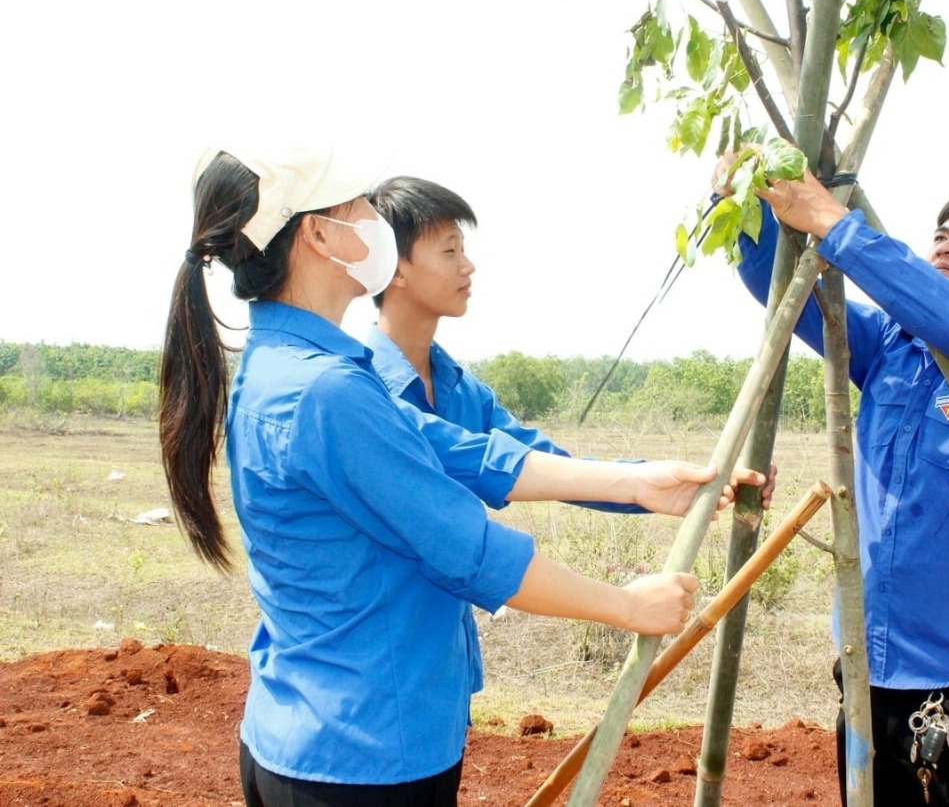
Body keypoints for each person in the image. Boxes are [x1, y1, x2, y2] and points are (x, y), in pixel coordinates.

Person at [159, 143, 765, 807]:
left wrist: (637, 482)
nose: (373, 218)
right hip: (363, 757)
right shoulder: (328, 392)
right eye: (356, 205)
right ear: (319, 234)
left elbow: (458, 450)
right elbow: (468, 550)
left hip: (313, 735)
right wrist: (626, 605)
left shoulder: (289, 366)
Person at [722, 166, 949, 806]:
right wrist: (739, 197)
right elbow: (781, 291)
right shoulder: (890, 347)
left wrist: (830, 222)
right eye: (939, 233)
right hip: (870, 664)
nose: (944, 244)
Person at [364, 175, 776, 516]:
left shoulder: (463, 391)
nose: (467, 266)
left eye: (464, 249)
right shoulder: (358, 392)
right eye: (450, 250)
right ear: (395, 269)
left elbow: (552, 466)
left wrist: (698, 480)